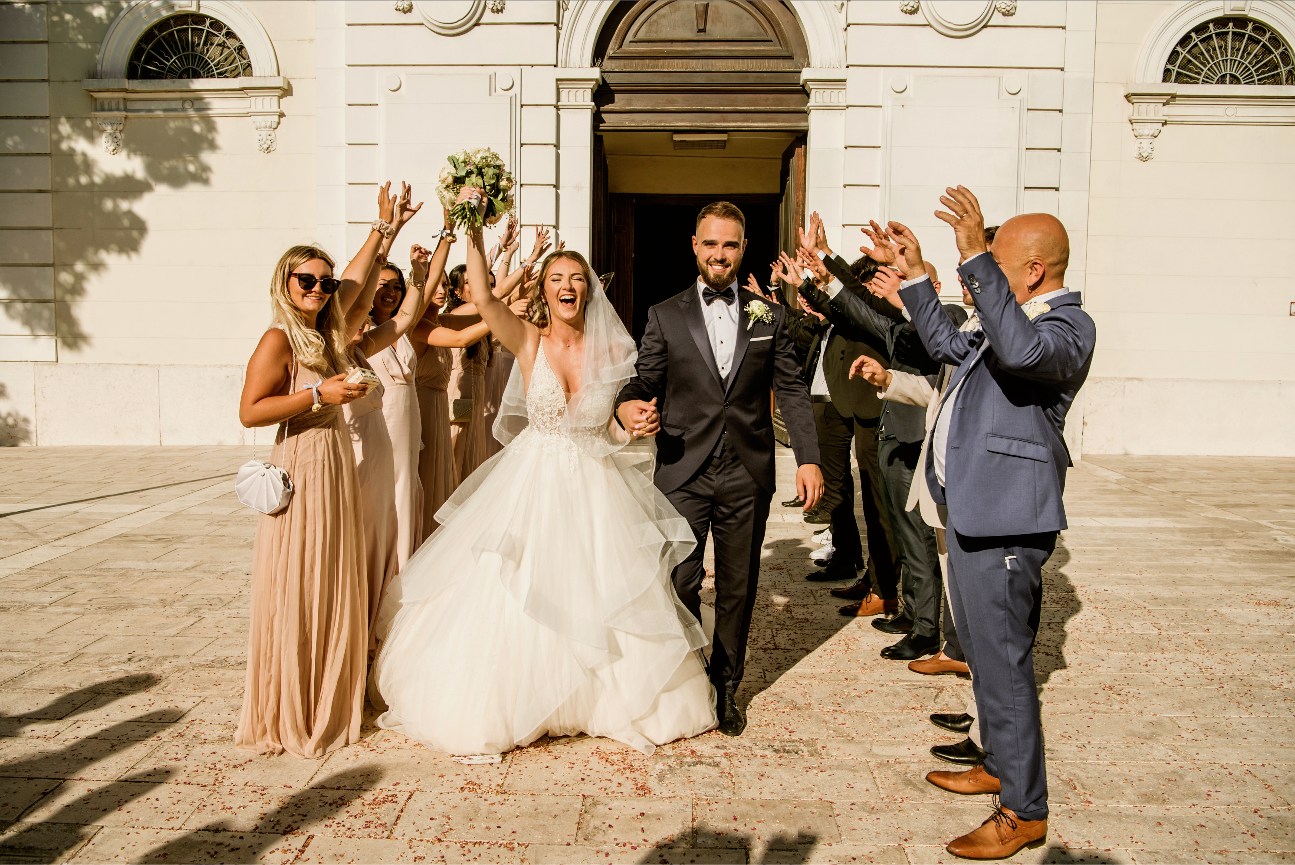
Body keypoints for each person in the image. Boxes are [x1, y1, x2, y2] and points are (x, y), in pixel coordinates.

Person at [371, 189, 715, 756]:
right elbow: (483, 297)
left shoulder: (615, 353)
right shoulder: (528, 341)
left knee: (601, 588)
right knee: (519, 586)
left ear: (589, 290)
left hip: (596, 485)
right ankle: (523, 698)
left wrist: (634, 426)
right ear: (546, 291)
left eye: (576, 278)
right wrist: (472, 226)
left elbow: (614, 427)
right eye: (557, 278)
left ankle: (598, 698)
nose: (567, 286)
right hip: (533, 480)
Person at [864, 187, 1096, 859]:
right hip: (970, 509)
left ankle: (1024, 810)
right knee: (983, 663)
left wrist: (971, 254)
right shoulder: (1005, 317)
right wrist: (914, 272)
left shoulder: (1067, 327)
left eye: (996, 261)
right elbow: (943, 341)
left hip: (1006, 520)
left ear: (1032, 270)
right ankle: (997, 763)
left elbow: (1022, 356)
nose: (981, 271)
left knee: (1004, 669)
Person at [615, 201, 824, 736]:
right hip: (683, 468)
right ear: (695, 246)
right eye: (710, 243)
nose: (719, 254)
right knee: (680, 580)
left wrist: (808, 457)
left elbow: (792, 390)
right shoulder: (665, 314)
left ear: (743, 249)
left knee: (738, 585)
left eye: (730, 244)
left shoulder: (769, 315)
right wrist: (628, 405)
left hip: (746, 473)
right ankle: (686, 676)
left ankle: (726, 684)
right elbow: (644, 379)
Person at [235, 234, 376, 758]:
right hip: (302, 461)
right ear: (285, 283)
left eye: (326, 282)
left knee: (331, 572)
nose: (318, 288)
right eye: (307, 280)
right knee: (304, 574)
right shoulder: (279, 338)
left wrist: (384, 230)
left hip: (334, 461)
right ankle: (293, 704)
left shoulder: (326, 334)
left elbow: (356, 286)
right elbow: (250, 411)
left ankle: (324, 695)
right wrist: (319, 393)